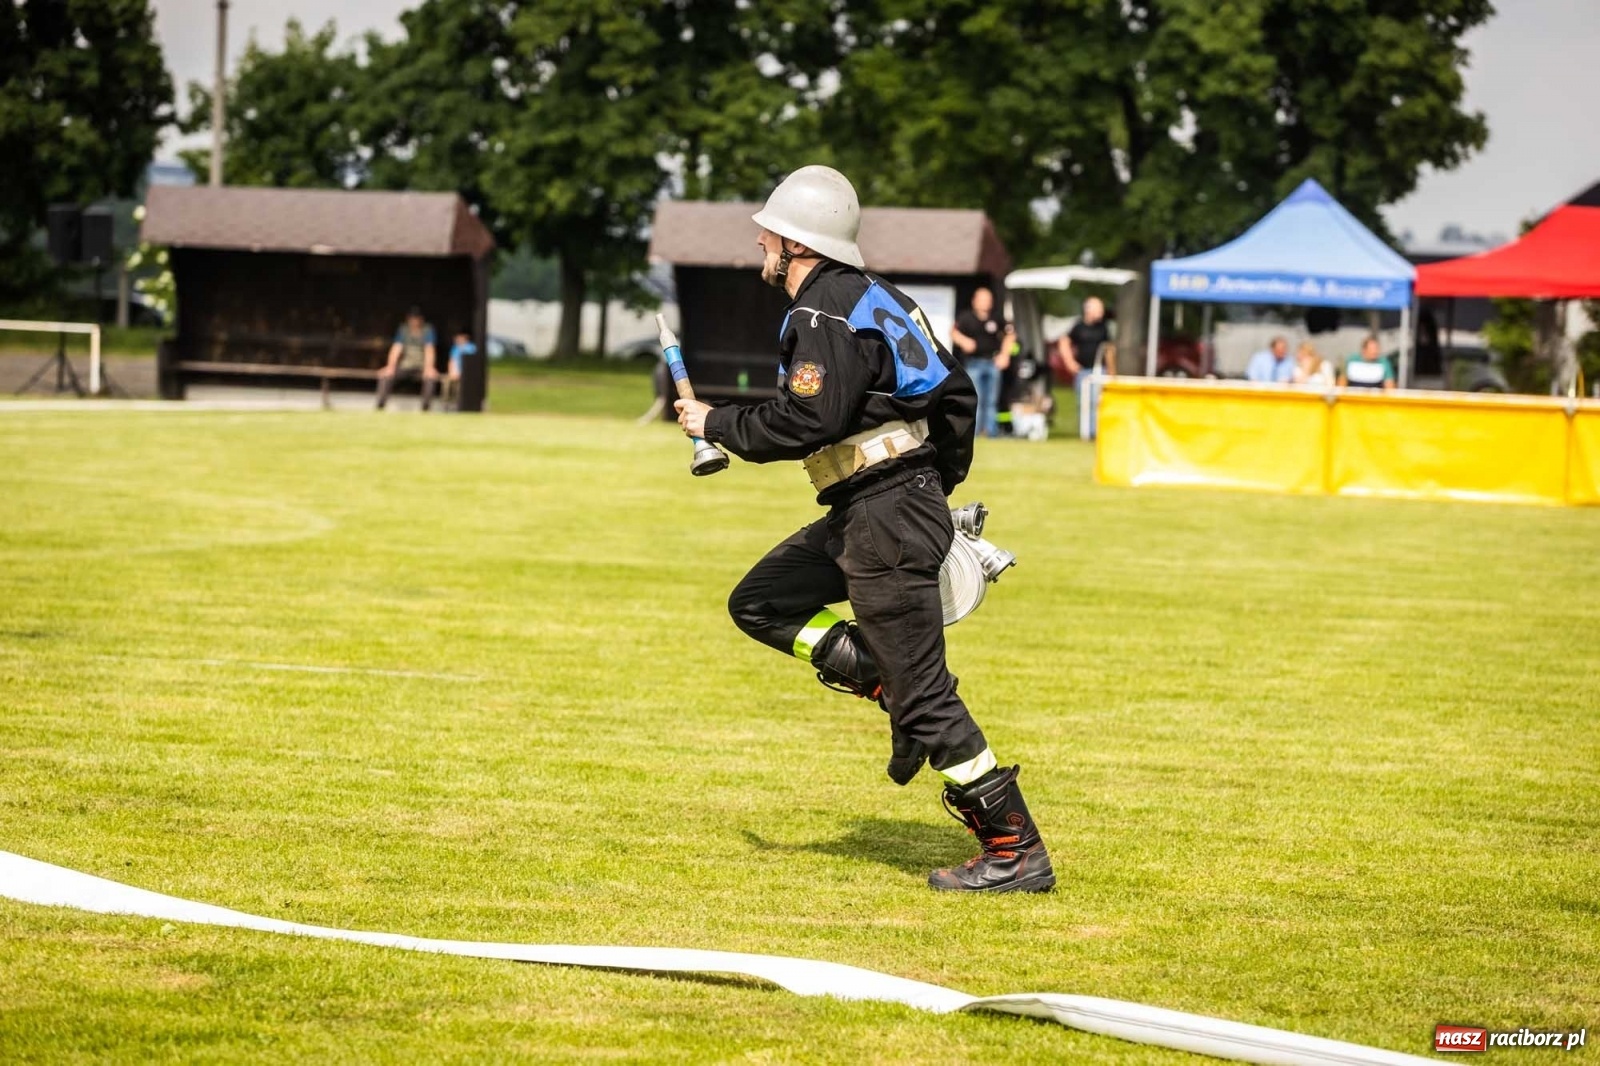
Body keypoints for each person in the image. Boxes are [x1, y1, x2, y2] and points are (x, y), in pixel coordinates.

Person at [672, 165, 1054, 894]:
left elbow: (806, 421)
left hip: (886, 514)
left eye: (769, 233)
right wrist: (935, 486)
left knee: (927, 696)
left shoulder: (821, 311)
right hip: (878, 508)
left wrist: (716, 421)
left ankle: (1015, 849)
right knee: (761, 602)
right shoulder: (885, 298)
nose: (759, 241)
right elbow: (957, 398)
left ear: (797, 243)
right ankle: (878, 674)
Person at [950, 287, 1012, 438]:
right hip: (974, 363)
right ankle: (974, 432)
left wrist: (1004, 355)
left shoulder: (996, 318)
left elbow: (1010, 335)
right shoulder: (966, 317)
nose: (985, 303)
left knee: (992, 400)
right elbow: (953, 332)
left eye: (988, 300)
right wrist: (964, 341)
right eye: (982, 300)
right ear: (974, 301)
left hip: (992, 363)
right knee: (976, 398)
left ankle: (991, 432)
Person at [376, 308, 440, 411]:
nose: (414, 321)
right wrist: (390, 367)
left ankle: (426, 408)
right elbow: (396, 349)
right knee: (385, 377)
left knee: (430, 379)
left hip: (421, 367)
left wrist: (429, 368)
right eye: (411, 319)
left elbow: (429, 350)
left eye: (416, 319)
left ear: (421, 320)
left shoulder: (428, 330)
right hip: (405, 366)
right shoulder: (403, 330)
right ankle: (380, 406)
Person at [1062, 297, 1113, 382]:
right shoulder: (1079, 327)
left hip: (1100, 370)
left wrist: (1111, 370)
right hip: (1082, 370)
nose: (1102, 311)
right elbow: (1064, 342)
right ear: (1088, 310)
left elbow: (1108, 349)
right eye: (1099, 309)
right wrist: (1070, 362)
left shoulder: (1103, 328)